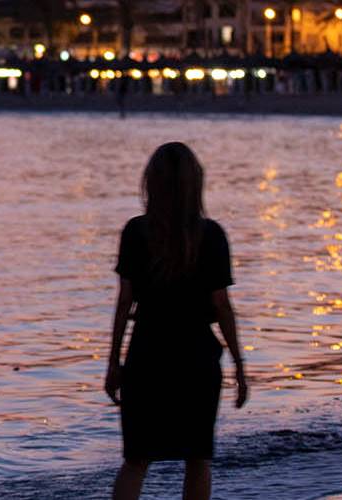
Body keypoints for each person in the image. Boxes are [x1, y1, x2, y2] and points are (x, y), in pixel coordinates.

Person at [104, 143, 248, 500]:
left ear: (151, 182)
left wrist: (113, 361)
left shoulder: (135, 232)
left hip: (147, 355)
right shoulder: (211, 235)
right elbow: (222, 306)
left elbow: (124, 303)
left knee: (136, 459)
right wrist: (239, 365)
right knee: (197, 459)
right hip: (197, 358)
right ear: (195, 184)